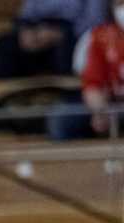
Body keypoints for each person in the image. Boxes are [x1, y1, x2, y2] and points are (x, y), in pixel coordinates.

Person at [49, 4, 124, 140]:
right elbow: (92, 83)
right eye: (120, 3)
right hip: (113, 105)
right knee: (62, 119)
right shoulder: (101, 36)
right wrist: (100, 111)